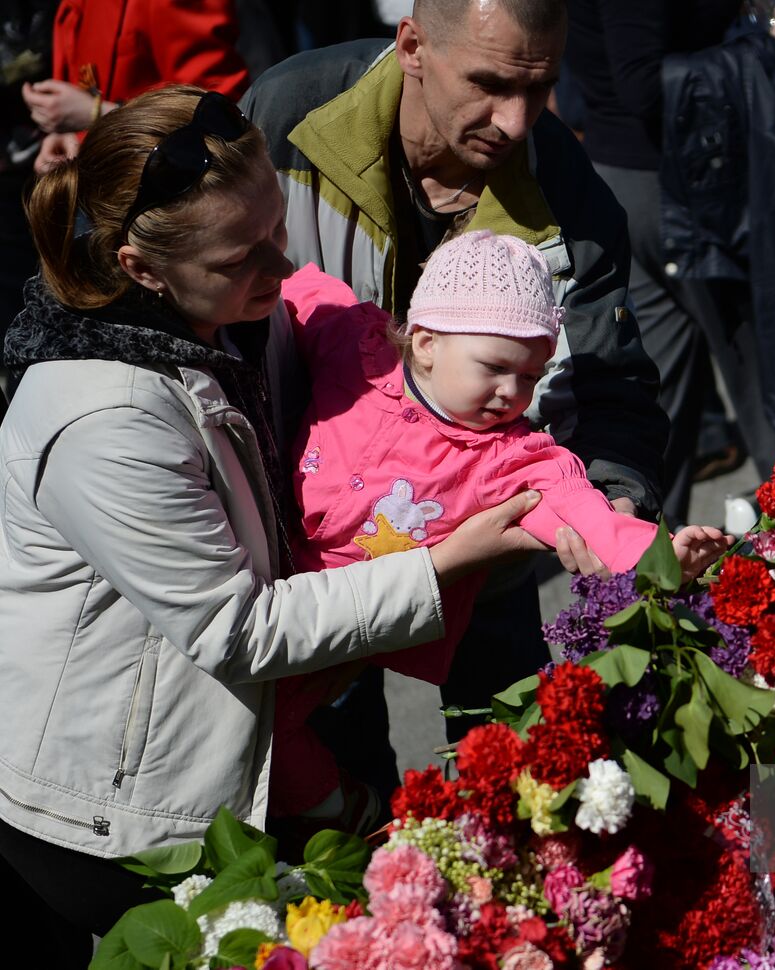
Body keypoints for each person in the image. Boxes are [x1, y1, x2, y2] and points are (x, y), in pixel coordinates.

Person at [0, 85, 550, 949]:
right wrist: (442, 563)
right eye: (242, 255)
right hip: (120, 819)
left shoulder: (234, 321)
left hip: (248, 749)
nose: (281, 267)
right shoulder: (104, 417)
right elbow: (236, 625)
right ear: (142, 268)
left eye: (277, 230)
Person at [241, 0, 668, 761]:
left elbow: (612, 387)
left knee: (511, 780)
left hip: (490, 560)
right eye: (489, 83)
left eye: (539, 90)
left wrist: (613, 505)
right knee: (329, 794)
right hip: (303, 559)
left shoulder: (573, 195)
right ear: (411, 45)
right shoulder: (287, 116)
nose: (515, 120)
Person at [271, 230, 729, 825]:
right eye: (495, 368)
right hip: (281, 597)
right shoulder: (355, 349)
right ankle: (353, 820)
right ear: (427, 342)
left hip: (366, 624)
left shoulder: (512, 460)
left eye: (531, 377)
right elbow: (299, 292)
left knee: (276, 735)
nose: (512, 394)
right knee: (257, 733)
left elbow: (584, 514)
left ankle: (355, 819)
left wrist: (663, 554)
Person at [564, 0, 775, 525]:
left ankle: (647, 590)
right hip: (680, 193)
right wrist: (771, 50)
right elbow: (641, 83)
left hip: (634, 184)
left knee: (653, 415)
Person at [22, 0, 250, 174]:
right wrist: (68, 133)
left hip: (169, 201)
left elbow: (219, 112)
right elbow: (89, 81)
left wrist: (98, 114)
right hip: (107, 187)